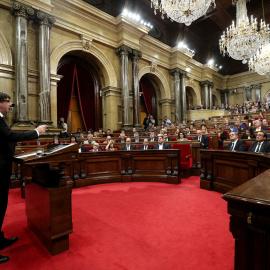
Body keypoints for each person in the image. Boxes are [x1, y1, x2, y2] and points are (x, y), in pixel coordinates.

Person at [0, 92, 47, 264]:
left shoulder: (1, 119)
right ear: (1, 103)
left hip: (3, 168)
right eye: (8, 102)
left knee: (1, 205)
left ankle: (0, 239)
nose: (10, 106)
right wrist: (36, 132)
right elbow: (10, 137)